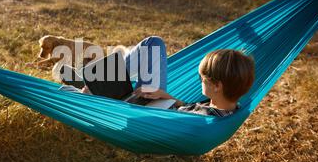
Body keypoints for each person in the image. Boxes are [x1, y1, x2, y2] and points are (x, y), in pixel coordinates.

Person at [66, 36, 255, 117]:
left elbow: (173, 123)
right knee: (153, 43)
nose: (199, 81)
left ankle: (87, 90)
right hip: (154, 105)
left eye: (202, 79)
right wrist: (165, 96)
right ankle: (98, 81)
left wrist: (144, 107)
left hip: (138, 115)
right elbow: (187, 108)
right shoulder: (226, 105)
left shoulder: (208, 120)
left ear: (217, 85)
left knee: (67, 92)